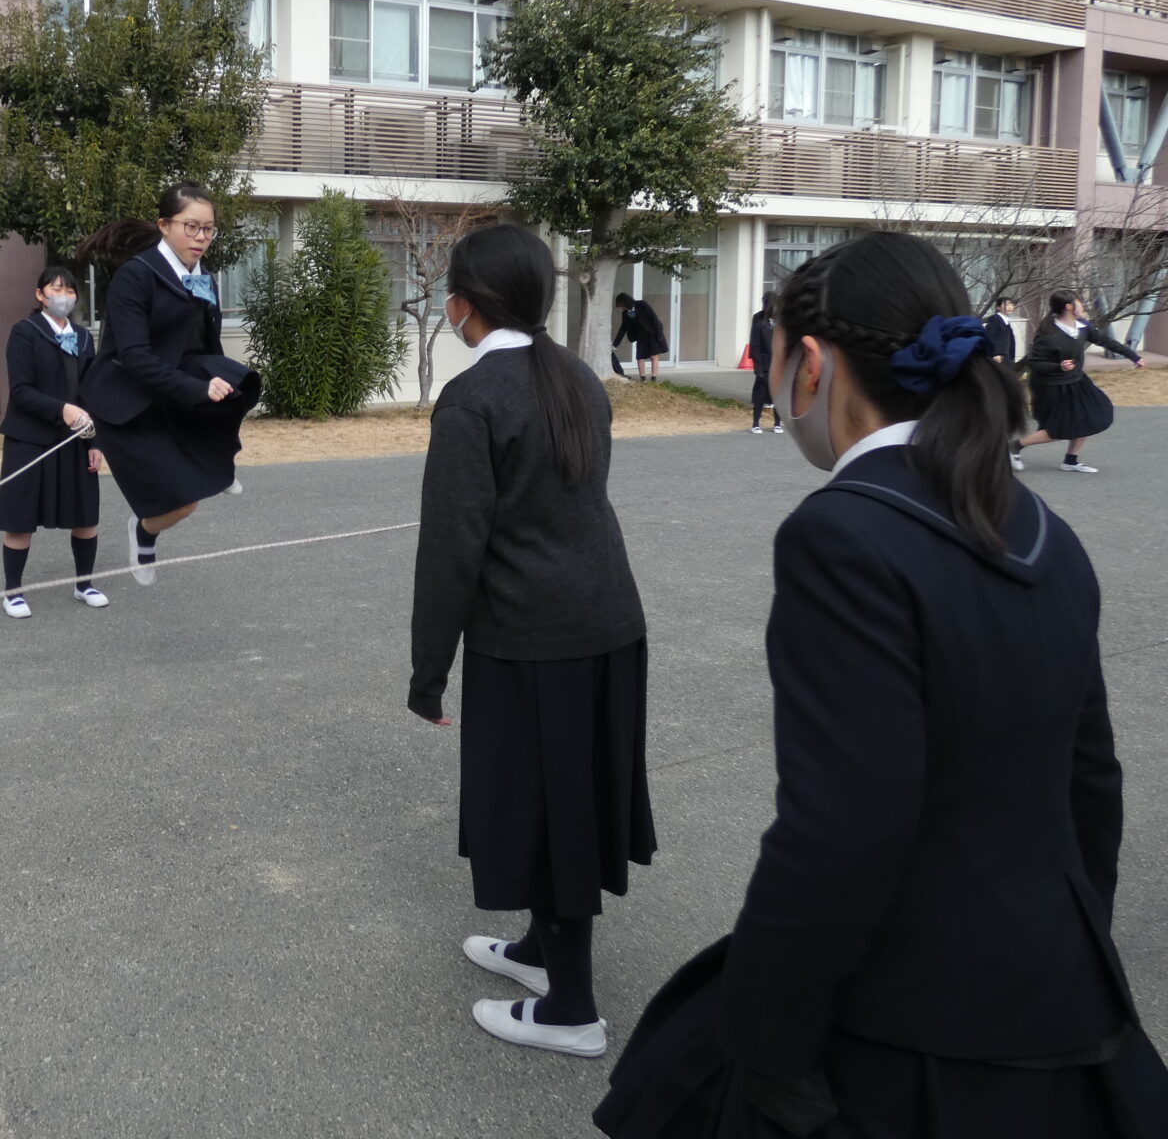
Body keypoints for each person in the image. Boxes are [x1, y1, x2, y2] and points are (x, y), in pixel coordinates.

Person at [595, 231, 1168, 1139]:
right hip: (1061, 998)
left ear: (810, 364)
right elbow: (1090, 781)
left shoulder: (845, 533)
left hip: (910, 1015)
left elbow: (842, 826)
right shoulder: (1036, 526)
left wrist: (770, 1046)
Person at [409, 224, 653, 1060]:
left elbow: (452, 549)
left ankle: (572, 1010)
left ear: (463, 304)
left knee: (548, 813)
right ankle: (541, 952)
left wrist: (427, 673)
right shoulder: (577, 376)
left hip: (535, 639)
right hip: (608, 624)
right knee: (566, 801)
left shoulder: (474, 397)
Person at [75, 184, 260, 584]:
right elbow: (135, 357)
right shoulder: (135, 276)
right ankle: (144, 531)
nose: (201, 237)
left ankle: (218, 467)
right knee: (184, 502)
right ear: (164, 225)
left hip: (174, 383)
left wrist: (215, 385)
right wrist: (196, 390)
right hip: (128, 398)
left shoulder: (204, 278)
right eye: (191, 226)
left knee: (237, 381)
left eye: (208, 229)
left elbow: (207, 344)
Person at [0, 266, 109, 618]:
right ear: (40, 295)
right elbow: (21, 391)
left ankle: (84, 585)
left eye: (70, 290)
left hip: (75, 440)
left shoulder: (83, 337)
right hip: (29, 440)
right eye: (56, 289)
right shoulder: (25, 332)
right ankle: (13, 593)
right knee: (20, 520)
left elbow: (91, 392)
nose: (64, 296)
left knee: (86, 518)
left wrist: (95, 442)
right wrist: (63, 409)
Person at [1013, 291, 1145, 475]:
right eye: (1080, 302)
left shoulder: (1083, 326)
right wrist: (1058, 366)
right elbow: (1034, 362)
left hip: (1077, 381)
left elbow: (1105, 341)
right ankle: (1014, 447)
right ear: (1069, 307)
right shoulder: (1049, 334)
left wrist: (1133, 356)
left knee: (1089, 416)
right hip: (1053, 386)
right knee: (1059, 429)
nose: (1083, 305)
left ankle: (1071, 461)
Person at [614, 292, 670, 382]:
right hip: (640, 336)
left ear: (626, 303)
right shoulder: (626, 313)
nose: (622, 308)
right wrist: (615, 345)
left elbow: (653, 318)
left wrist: (659, 334)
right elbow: (623, 329)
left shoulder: (641, 304)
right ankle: (642, 378)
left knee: (654, 356)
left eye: (622, 306)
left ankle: (653, 378)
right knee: (640, 357)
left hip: (652, 333)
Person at [747, 292, 781, 435]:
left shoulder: (782, 320)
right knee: (760, 394)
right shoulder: (758, 318)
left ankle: (777, 423)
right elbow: (755, 344)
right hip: (764, 363)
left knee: (778, 395)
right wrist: (758, 368)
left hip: (779, 364)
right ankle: (756, 424)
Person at [984, 294, 1019, 366]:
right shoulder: (994, 319)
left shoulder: (1006, 321)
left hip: (1007, 357)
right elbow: (989, 337)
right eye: (1006, 305)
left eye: (1011, 305)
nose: (1010, 307)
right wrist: (995, 354)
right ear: (998, 307)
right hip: (998, 358)